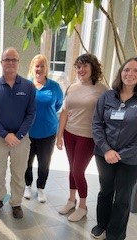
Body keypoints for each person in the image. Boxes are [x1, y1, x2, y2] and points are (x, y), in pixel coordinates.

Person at [0, 47, 36, 219]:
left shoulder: (28, 87)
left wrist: (19, 135)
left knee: (18, 172)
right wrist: (5, 134)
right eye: (7, 59)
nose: (11, 63)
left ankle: (16, 203)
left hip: (21, 138)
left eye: (14, 60)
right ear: (1, 63)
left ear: (18, 63)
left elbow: (31, 114)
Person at [56, 53, 108, 222]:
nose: (81, 69)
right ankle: (71, 200)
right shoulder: (72, 87)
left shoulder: (102, 90)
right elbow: (65, 112)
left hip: (88, 137)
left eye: (85, 65)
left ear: (93, 67)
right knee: (72, 168)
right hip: (70, 134)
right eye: (78, 66)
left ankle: (83, 207)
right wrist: (59, 136)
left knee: (78, 170)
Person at [90, 57, 137, 240]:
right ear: (120, 72)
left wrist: (120, 154)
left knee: (123, 197)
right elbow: (97, 124)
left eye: (135, 71)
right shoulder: (107, 96)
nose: (130, 74)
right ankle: (102, 224)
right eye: (127, 70)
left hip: (131, 159)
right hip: (104, 155)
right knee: (105, 191)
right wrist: (106, 150)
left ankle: (115, 234)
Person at [23, 54, 63, 203]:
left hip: (48, 133)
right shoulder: (26, 86)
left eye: (42, 66)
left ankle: (41, 188)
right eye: (36, 66)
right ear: (32, 68)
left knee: (44, 163)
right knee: (27, 162)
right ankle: (28, 185)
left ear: (46, 68)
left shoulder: (54, 87)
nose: (39, 69)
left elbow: (58, 104)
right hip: (28, 133)